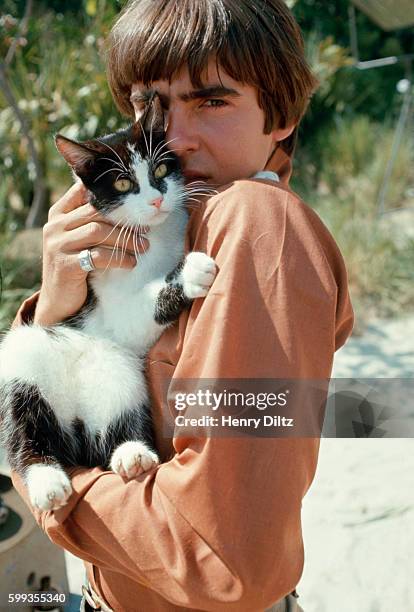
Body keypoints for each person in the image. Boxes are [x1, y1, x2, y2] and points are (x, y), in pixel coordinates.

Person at [10, 1, 354, 610]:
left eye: (212, 102)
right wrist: (58, 309)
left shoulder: (255, 222)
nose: (172, 137)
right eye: (152, 106)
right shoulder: (175, 225)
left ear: (282, 116)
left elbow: (222, 557)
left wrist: (48, 480)